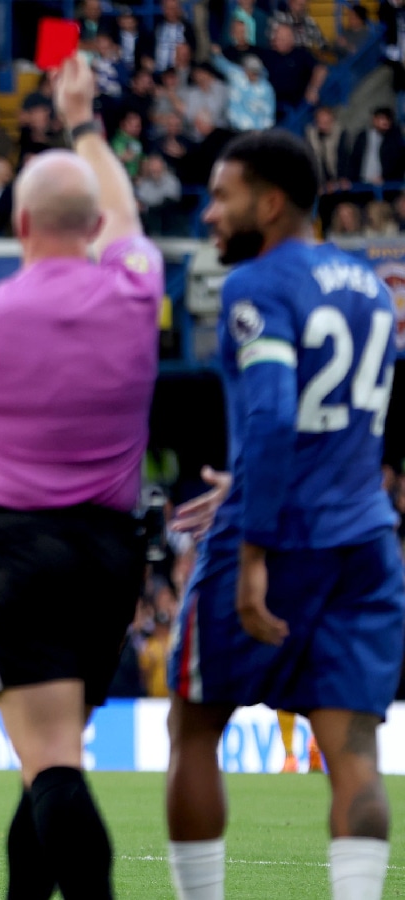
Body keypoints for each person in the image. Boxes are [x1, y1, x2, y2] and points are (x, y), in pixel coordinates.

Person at [0, 55, 160, 900]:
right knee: (47, 754)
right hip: (111, 552)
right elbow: (124, 207)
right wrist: (83, 123)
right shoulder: (135, 290)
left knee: (48, 760)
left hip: (15, 550)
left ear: (19, 226)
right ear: (92, 229)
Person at [165, 129, 404, 900]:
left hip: (273, 538)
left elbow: (270, 418)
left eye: (223, 197)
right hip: (365, 535)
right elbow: (343, 421)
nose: (208, 215)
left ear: (269, 205)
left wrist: (255, 549)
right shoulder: (372, 284)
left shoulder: (256, 287)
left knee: (196, 725)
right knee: (355, 754)